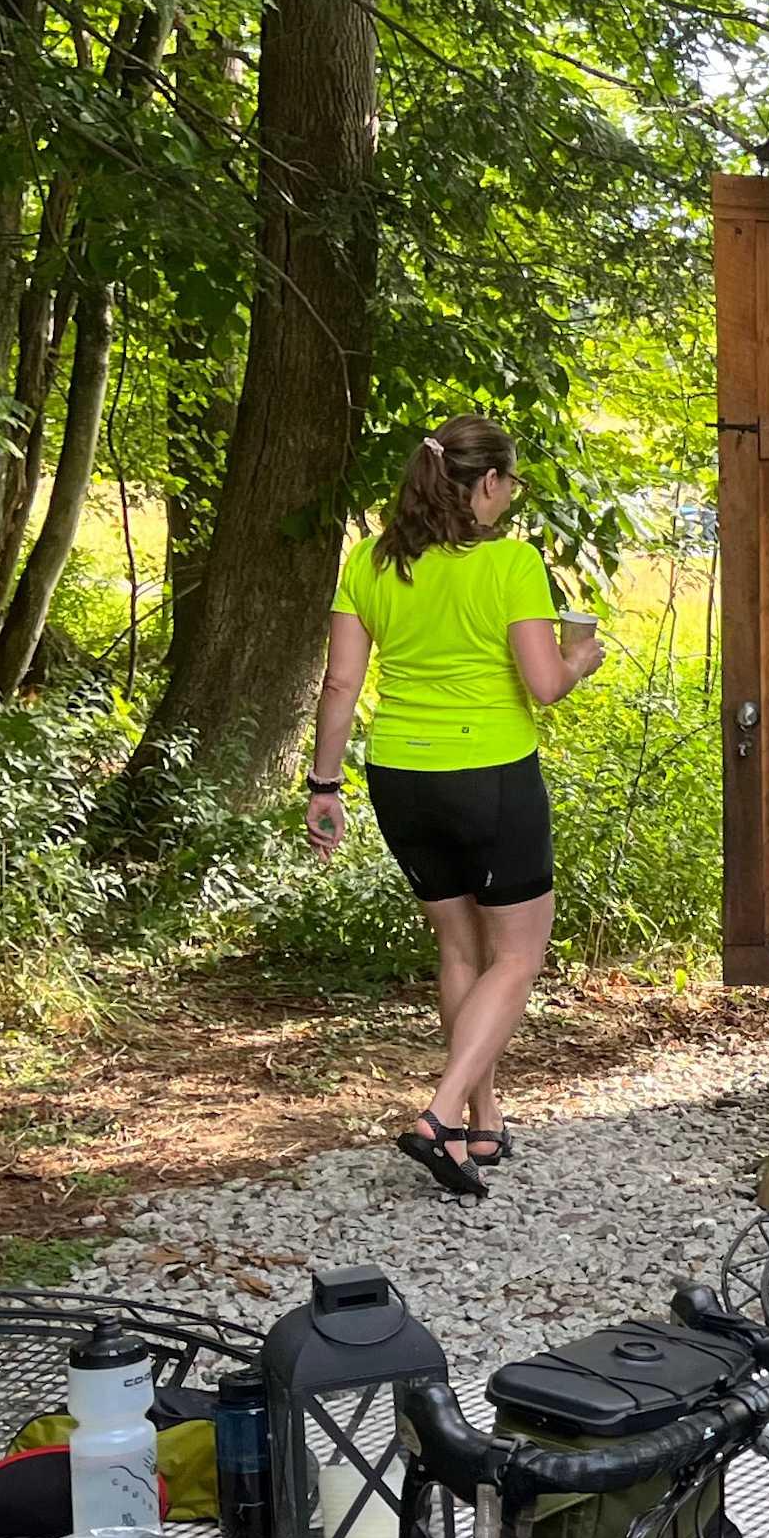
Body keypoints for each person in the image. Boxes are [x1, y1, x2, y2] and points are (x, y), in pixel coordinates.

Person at [304, 417, 602, 1198]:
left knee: (460, 950)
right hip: (490, 775)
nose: (509, 497)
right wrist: (580, 658)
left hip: (398, 774)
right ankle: (439, 1118)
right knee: (517, 955)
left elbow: (339, 686)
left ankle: (483, 1121)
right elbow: (544, 685)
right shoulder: (511, 563)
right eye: (508, 483)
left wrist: (323, 787)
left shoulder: (370, 563)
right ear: (488, 484)